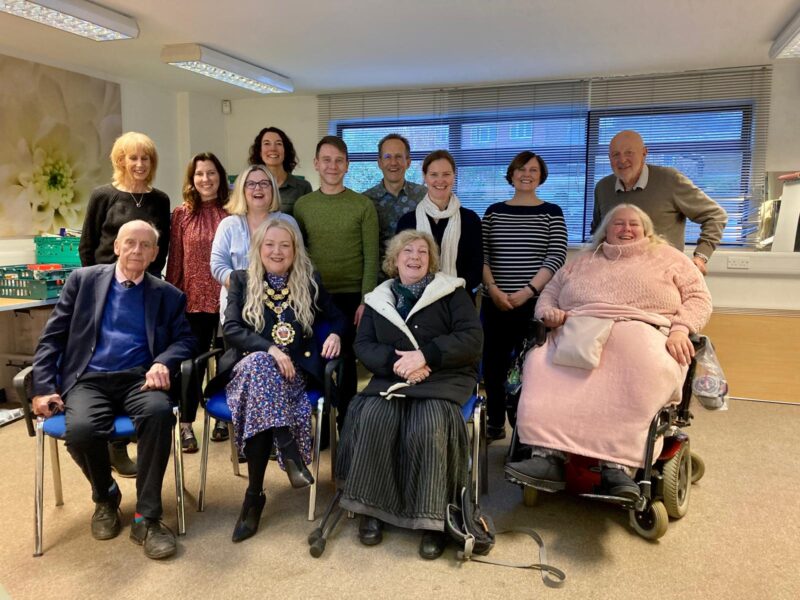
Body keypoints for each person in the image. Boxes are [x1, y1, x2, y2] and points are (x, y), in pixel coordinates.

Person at [505, 204, 712, 500]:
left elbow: (699, 297)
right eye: (618, 224)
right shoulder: (585, 259)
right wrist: (549, 312)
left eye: (633, 224)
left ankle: (619, 465)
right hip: (579, 328)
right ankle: (546, 455)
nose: (626, 229)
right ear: (605, 230)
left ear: (646, 230)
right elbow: (550, 291)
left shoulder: (670, 259)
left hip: (643, 330)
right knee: (541, 361)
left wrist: (681, 328)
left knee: (640, 366)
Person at [31, 220, 195, 560]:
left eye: (145, 245)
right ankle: (105, 495)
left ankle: (146, 517)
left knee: (159, 413)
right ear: (117, 247)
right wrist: (43, 387)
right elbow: (53, 337)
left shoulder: (168, 294)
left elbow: (186, 339)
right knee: (81, 430)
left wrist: (163, 361)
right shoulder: (83, 281)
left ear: (154, 255)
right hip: (88, 377)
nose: (137, 250)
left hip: (139, 377)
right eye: (130, 243)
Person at [336, 230, 483, 560]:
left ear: (431, 261)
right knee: (374, 417)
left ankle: (432, 521)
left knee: (428, 425)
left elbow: (472, 339)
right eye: (408, 251)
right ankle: (371, 509)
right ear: (394, 260)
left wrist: (427, 355)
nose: (415, 257)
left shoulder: (452, 293)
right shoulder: (378, 299)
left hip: (443, 377)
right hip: (393, 376)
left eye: (422, 252)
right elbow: (363, 345)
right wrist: (397, 363)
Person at [213, 218, 345, 542]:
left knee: (264, 386)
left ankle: (254, 496)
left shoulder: (308, 280)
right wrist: (270, 349)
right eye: (269, 244)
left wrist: (338, 335)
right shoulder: (241, 280)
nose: (277, 250)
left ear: (295, 250)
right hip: (246, 368)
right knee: (260, 366)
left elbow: (338, 316)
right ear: (258, 249)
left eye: (285, 245)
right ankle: (287, 448)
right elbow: (231, 329)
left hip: (294, 375)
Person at [78, 131, 171, 477]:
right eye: (133, 158)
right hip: (103, 285)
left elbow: (164, 245)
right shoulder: (103, 195)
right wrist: (95, 287)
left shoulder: (159, 200)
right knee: (104, 355)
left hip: (144, 288)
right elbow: (88, 245)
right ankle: (106, 438)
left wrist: (151, 285)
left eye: (145, 158)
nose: (140, 164)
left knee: (138, 355)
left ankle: (119, 444)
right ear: (121, 161)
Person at [481, 151, 568, 442]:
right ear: (511, 174)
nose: (526, 174)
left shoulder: (552, 212)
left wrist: (527, 291)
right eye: (520, 169)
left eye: (532, 169)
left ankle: (522, 424)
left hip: (533, 304)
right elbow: (482, 255)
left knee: (531, 367)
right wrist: (493, 289)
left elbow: (555, 256)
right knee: (493, 365)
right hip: (494, 302)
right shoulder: (493, 211)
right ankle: (494, 420)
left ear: (541, 175)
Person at [293, 135, 379, 418]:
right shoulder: (303, 206)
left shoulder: (363, 205)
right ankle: (321, 424)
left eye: (339, 161)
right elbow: (299, 255)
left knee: (344, 362)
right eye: (326, 160)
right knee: (314, 357)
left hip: (352, 297)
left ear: (347, 166)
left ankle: (347, 421)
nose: (332, 166)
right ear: (316, 164)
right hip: (314, 295)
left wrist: (366, 300)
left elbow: (372, 257)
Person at [591, 129, 728, 275]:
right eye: (615, 154)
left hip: (663, 277)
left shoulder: (669, 180)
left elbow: (715, 215)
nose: (622, 160)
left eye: (629, 153)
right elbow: (598, 231)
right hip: (615, 276)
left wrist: (701, 256)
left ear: (644, 153)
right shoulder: (602, 188)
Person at [166, 152, 230, 452]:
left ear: (220, 176)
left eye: (211, 173)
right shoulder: (181, 214)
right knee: (191, 365)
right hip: (193, 300)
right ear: (192, 179)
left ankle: (222, 418)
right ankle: (187, 424)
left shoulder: (233, 212)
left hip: (229, 298)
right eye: (200, 174)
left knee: (229, 359)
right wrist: (173, 301)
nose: (206, 179)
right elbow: (175, 261)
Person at [211, 164, 298, 322]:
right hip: (237, 312)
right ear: (242, 190)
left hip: (281, 311)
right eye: (251, 184)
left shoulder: (288, 222)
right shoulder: (228, 225)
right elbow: (218, 266)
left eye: (264, 183)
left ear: (272, 189)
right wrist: (246, 288)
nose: (258, 188)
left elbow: (298, 263)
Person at [396, 150, 483, 297]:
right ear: (425, 177)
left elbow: (476, 269)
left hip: (460, 300)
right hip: (417, 301)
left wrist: (450, 291)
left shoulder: (470, 219)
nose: (440, 180)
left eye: (446, 174)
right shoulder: (408, 221)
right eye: (434, 175)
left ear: (454, 176)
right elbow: (400, 267)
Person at [362, 133, 427, 276]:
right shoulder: (365, 201)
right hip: (378, 282)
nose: (393, 162)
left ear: (408, 161)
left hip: (417, 279)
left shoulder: (424, 196)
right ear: (379, 162)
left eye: (398, 157)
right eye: (387, 157)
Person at [248, 126, 312, 215]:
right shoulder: (249, 187)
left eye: (278, 143)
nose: (273, 148)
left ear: (285, 151)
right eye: (267, 143)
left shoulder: (303, 187)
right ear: (260, 152)